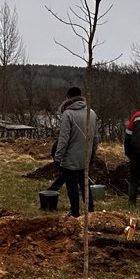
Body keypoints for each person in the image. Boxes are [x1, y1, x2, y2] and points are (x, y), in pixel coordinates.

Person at [54, 86, 98, 217]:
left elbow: (63, 138)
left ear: (68, 98)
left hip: (70, 157)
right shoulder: (92, 113)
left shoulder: (67, 114)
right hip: (86, 156)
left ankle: (75, 212)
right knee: (85, 183)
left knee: (72, 185)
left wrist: (58, 157)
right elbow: (95, 138)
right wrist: (92, 155)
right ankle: (90, 210)